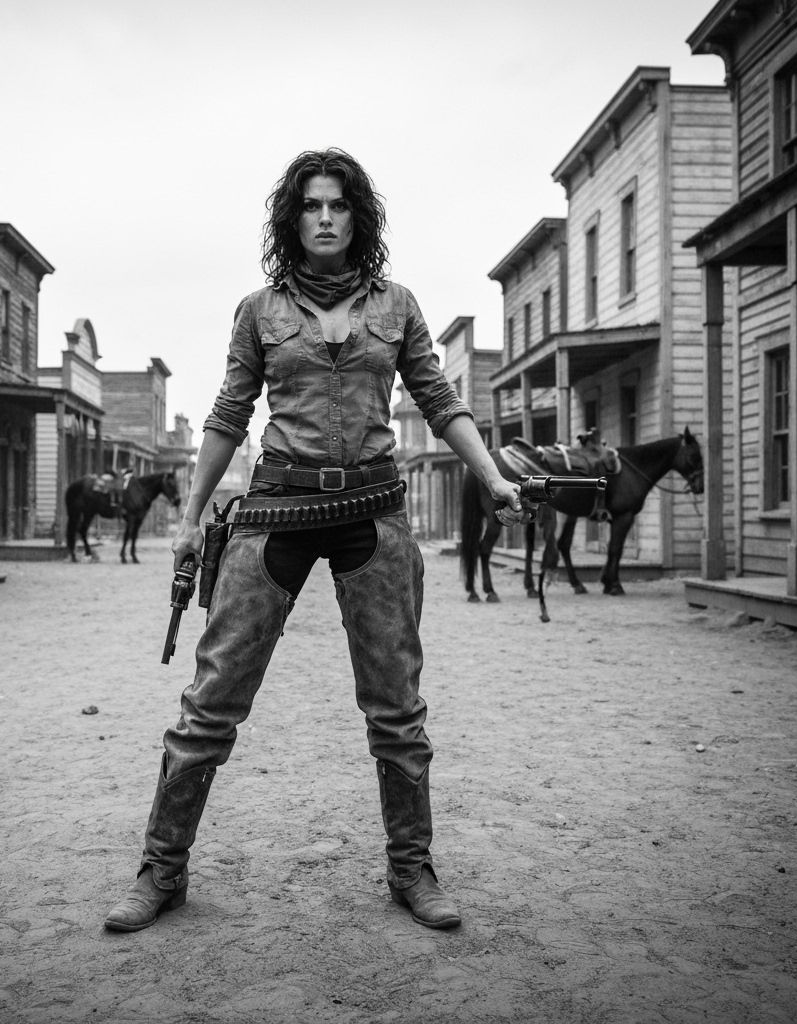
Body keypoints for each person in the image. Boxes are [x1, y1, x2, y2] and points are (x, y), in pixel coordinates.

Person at [104, 148, 525, 933]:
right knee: (211, 701)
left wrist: (494, 478)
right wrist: (192, 518)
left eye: (339, 204)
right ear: (291, 218)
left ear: (358, 217)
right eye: (311, 205)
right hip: (277, 513)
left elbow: (439, 399)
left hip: (374, 509)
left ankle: (412, 870)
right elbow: (230, 416)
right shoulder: (259, 311)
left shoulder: (396, 305)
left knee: (396, 707)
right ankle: (161, 870)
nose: (326, 217)